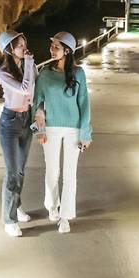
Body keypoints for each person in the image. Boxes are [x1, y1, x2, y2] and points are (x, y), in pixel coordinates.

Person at [33, 31, 91, 234]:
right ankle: (52, 206)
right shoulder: (45, 73)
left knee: (69, 174)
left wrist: (86, 133)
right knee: (52, 172)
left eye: (56, 47)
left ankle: (65, 216)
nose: (52, 50)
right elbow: (37, 103)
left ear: (67, 51)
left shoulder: (78, 73)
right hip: (51, 128)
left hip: (74, 128)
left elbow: (84, 103)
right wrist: (39, 130)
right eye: (51, 46)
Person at [0, 30, 36, 237]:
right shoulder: (3, 72)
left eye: (24, 44)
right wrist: (29, 63)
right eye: (19, 45)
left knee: (20, 170)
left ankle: (16, 204)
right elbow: (25, 88)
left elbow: (35, 91)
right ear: (9, 49)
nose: (24, 48)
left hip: (26, 119)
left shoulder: (28, 66)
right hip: (10, 123)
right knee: (12, 172)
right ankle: (9, 220)